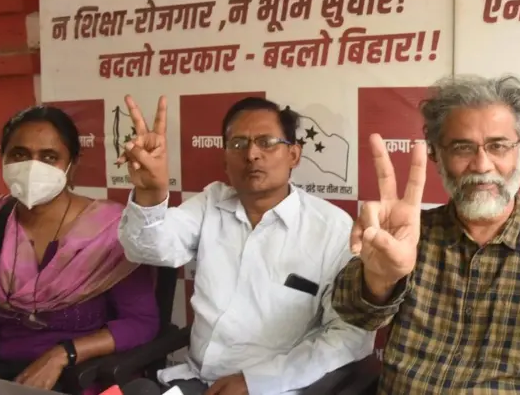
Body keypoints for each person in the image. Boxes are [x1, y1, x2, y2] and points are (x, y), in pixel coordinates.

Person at [331, 75, 520, 394]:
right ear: (436, 155)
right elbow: (354, 314)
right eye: (462, 148)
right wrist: (380, 280)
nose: (482, 165)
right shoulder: (408, 236)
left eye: (498, 146)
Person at [116, 96, 375, 395]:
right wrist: (150, 194)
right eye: (238, 144)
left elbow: (350, 336)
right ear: (225, 159)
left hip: (276, 388)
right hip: (196, 382)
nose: (251, 154)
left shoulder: (332, 228)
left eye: (266, 142)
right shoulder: (211, 203)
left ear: (293, 154)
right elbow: (147, 249)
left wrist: (256, 381)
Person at [0, 105, 160, 393]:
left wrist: (65, 354)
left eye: (49, 157)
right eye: (19, 154)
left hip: (80, 377)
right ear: (2, 157)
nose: (32, 167)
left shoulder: (110, 229)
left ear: (72, 164)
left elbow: (141, 323)